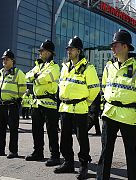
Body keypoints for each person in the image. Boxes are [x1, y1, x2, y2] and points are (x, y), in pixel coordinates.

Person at [96, 29, 136, 180]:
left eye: (116, 45)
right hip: (110, 113)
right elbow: (104, 86)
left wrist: (135, 105)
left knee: (131, 153)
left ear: (125, 46)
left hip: (128, 115)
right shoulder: (108, 67)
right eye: (112, 45)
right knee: (106, 151)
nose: (112, 48)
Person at [54, 36, 100, 180]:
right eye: (68, 49)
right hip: (65, 108)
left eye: (71, 49)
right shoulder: (65, 67)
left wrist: (85, 103)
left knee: (82, 138)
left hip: (80, 108)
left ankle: (84, 166)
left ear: (79, 51)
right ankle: (68, 162)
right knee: (65, 138)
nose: (68, 51)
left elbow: (94, 89)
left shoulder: (88, 68)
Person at [25, 40, 61, 167]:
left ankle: (55, 156)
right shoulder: (38, 66)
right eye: (40, 51)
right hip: (36, 102)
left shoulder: (55, 67)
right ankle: (38, 152)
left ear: (49, 52)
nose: (40, 53)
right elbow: (27, 76)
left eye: (42, 51)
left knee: (52, 131)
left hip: (49, 103)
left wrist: (36, 77)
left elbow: (45, 78)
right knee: (36, 130)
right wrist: (37, 75)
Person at [0, 49, 26, 158]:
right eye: (3, 59)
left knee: (13, 129)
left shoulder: (18, 73)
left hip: (11, 105)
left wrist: (16, 100)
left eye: (7, 59)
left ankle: (13, 151)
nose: (4, 61)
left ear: (12, 60)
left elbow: (22, 89)